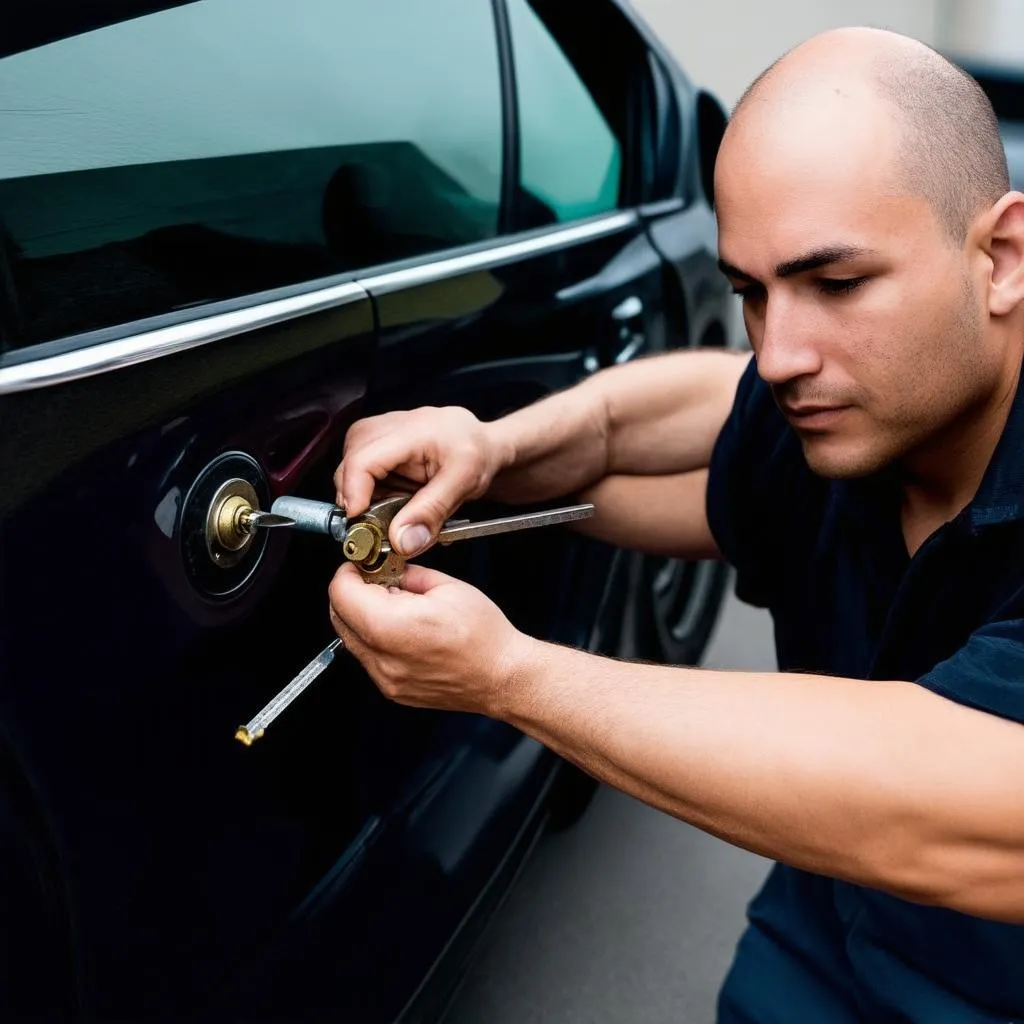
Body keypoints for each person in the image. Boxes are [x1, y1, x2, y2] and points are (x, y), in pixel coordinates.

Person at [328, 26, 1024, 1022]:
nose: (778, 352)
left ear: (999, 256)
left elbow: (962, 807)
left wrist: (506, 675)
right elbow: (684, 418)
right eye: (749, 291)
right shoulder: (855, 415)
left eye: (834, 284)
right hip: (821, 942)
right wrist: (487, 457)